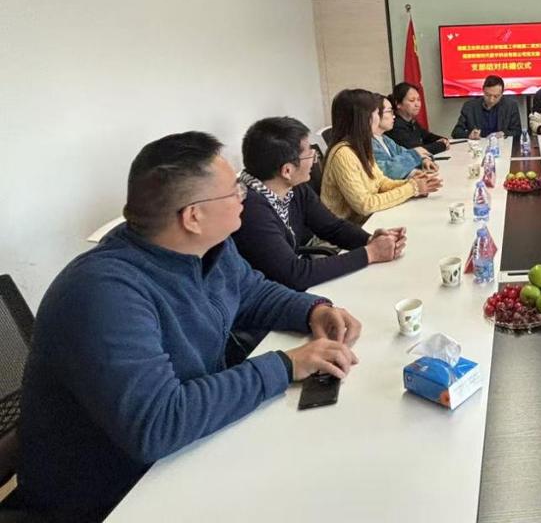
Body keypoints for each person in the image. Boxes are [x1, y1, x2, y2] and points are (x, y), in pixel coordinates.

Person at [12, 132, 361, 521]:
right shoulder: (102, 293)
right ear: (193, 216)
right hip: (114, 496)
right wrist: (286, 365)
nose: (244, 196)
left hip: (187, 451)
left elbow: (250, 291)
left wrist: (313, 311)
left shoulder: (209, 247)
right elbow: (157, 424)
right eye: (234, 191)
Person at [232, 116, 405, 291]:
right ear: (287, 170)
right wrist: (370, 253)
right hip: (270, 295)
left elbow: (332, 227)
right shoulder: (249, 210)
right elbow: (294, 275)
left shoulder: (293, 187)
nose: (314, 159)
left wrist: (369, 240)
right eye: (310, 155)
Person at [321, 88, 441, 224]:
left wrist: (414, 184)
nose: (379, 118)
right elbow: (365, 205)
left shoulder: (360, 146)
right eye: (376, 113)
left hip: (366, 222)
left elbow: (381, 182)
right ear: (363, 118)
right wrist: (412, 188)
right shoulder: (343, 154)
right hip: (348, 230)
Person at [373, 95, 439, 179]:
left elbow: (404, 152)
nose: (393, 116)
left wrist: (424, 161)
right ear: (374, 115)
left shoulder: (385, 139)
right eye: (389, 111)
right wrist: (416, 155)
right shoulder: (369, 143)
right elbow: (387, 172)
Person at [451, 74, 523, 140]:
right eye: (488, 95)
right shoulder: (470, 106)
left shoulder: (511, 106)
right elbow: (456, 132)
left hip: (502, 146)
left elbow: (517, 131)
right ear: (483, 90)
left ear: (501, 94)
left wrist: (504, 133)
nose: (491, 100)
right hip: (478, 146)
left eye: (496, 96)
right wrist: (469, 135)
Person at [387, 82, 449, 155]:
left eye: (418, 100)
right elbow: (416, 150)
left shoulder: (411, 122)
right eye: (412, 100)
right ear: (398, 104)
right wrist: (442, 145)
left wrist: (443, 140)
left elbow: (427, 136)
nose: (417, 104)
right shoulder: (394, 125)